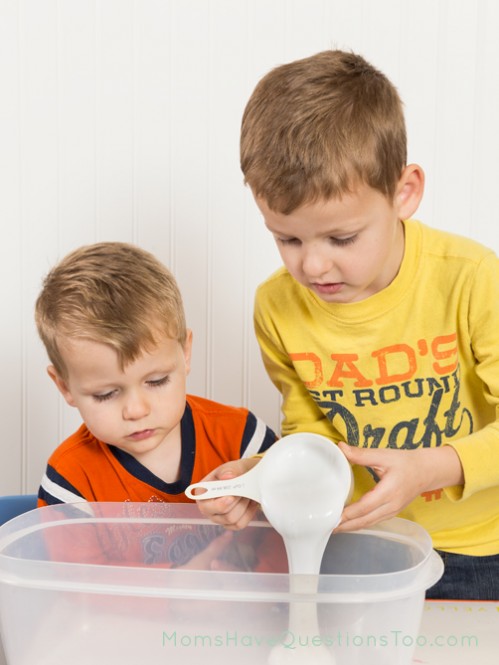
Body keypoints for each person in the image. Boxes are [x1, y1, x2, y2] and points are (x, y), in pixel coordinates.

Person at [195, 50, 499, 600]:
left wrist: (434, 467)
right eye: (287, 239)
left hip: (483, 551)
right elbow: (314, 438)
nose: (311, 266)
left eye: (341, 239)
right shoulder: (277, 307)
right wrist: (259, 477)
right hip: (359, 548)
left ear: (403, 193)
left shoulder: (474, 281)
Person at [34, 241, 278, 568]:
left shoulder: (244, 439)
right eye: (106, 394)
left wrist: (260, 487)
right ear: (65, 387)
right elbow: (80, 597)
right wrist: (175, 599)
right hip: (125, 621)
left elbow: (299, 531)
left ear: (185, 353)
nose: (136, 410)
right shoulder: (71, 482)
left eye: (157, 381)